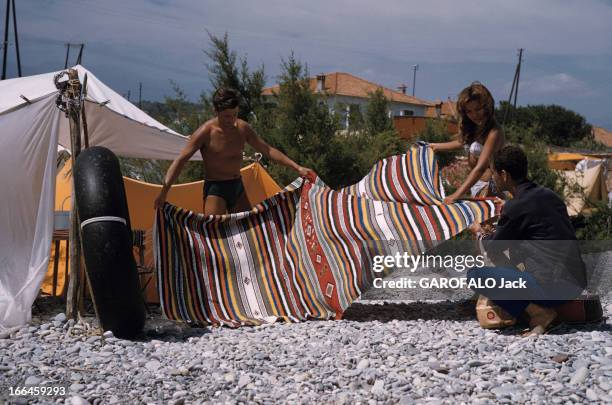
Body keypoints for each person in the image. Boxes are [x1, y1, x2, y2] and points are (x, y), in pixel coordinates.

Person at [466, 145, 587, 336]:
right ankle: (534, 307)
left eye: (494, 174)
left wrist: (478, 231)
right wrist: (509, 209)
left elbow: (493, 247)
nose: (493, 178)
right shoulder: (549, 195)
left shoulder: (516, 206)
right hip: (576, 284)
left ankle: (540, 313)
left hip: (552, 289)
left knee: (476, 275)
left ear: (504, 174)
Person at [154, 88, 313, 215]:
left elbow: (267, 149)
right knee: (214, 236)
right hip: (216, 189)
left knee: (247, 233)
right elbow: (180, 160)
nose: (231, 120)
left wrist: (297, 167)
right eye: (226, 116)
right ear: (215, 111)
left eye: (235, 115)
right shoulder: (205, 133)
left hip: (237, 186)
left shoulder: (242, 128)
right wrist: (163, 192)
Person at [429, 82, 505, 203]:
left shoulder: (494, 132)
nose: (474, 115)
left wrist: (456, 195)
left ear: (487, 106)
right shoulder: (476, 127)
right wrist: (434, 146)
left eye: (478, 109)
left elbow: (480, 167)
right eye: (469, 111)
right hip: (477, 186)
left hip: (490, 188)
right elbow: (461, 142)